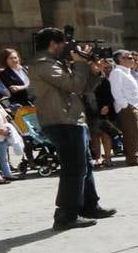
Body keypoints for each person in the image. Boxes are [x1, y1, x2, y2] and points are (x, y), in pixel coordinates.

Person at [28, 28, 115, 229]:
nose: (67, 48)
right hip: (60, 120)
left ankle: (89, 206)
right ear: (53, 43)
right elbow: (73, 85)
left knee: (84, 166)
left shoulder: (55, 63)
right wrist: (80, 64)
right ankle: (65, 215)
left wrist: (94, 72)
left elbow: (83, 88)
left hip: (72, 119)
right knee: (74, 169)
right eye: (63, 44)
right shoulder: (43, 64)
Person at [108, 50, 138, 166]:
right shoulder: (117, 72)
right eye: (129, 58)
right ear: (120, 59)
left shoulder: (127, 72)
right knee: (131, 133)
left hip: (134, 106)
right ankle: (132, 157)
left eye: (132, 58)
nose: (132, 59)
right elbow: (116, 91)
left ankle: (135, 155)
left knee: (135, 133)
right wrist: (125, 105)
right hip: (127, 108)